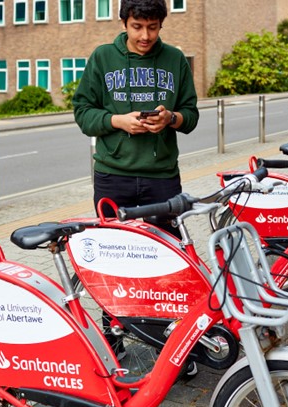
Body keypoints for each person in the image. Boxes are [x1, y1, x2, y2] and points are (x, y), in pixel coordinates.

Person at [72, 0, 200, 376]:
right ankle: (113, 336)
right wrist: (117, 121)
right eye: (138, 27)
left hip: (162, 177)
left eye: (153, 27)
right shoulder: (102, 58)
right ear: (124, 22)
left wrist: (171, 118)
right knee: (112, 258)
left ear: (161, 24)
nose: (145, 36)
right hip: (114, 176)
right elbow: (83, 112)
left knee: (167, 262)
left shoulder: (175, 60)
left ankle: (171, 340)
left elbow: (190, 114)